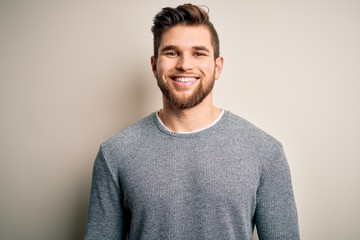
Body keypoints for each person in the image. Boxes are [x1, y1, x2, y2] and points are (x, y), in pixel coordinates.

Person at [85, 3, 300, 240]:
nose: (185, 64)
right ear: (155, 65)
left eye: (198, 53)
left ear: (217, 67)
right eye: (172, 52)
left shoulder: (265, 152)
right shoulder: (115, 153)